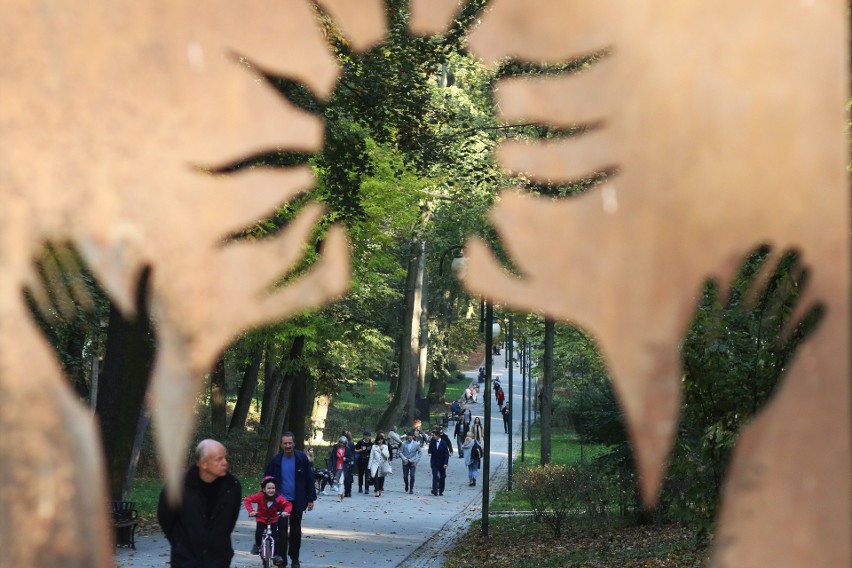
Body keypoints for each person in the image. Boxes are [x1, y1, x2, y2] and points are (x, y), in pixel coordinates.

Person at [157, 439, 242, 568]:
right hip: (186, 560)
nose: (225, 463)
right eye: (219, 459)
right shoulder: (178, 486)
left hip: (219, 559)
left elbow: (230, 521)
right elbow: (166, 518)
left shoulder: (232, 486)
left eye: (225, 457)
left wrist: (216, 539)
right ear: (203, 463)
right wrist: (180, 543)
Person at [264, 432, 317, 568]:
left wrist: (311, 498)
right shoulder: (276, 460)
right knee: (281, 531)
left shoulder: (301, 459)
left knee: (295, 530)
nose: (288, 446)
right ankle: (282, 559)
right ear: (281, 445)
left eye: (290, 443)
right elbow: (267, 480)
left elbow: (309, 479)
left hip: (297, 500)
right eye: (285, 443)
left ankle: (294, 558)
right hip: (281, 502)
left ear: (294, 444)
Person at [243, 476, 292, 565]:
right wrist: (251, 511)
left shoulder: (278, 498)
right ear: (264, 489)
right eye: (268, 488)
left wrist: (285, 511)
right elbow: (247, 500)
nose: (271, 490)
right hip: (261, 518)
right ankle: (257, 545)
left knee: (275, 537)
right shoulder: (259, 496)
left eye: (273, 488)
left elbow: (288, 504)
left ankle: (276, 555)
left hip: (273, 519)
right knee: (259, 532)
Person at [328, 436, 353, 502]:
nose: (341, 444)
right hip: (337, 466)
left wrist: (346, 459)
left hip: (344, 467)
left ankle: (339, 495)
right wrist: (330, 467)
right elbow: (331, 458)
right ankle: (341, 493)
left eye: (343, 443)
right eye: (340, 442)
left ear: (345, 443)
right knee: (338, 481)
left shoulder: (347, 449)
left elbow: (351, 458)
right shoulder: (335, 448)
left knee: (341, 482)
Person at [428, 429, 450, 496]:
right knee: (435, 476)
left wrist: (445, 463)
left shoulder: (443, 443)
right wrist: (429, 452)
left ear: (437, 435)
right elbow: (430, 450)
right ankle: (434, 489)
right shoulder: (432, 442)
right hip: (434, 462)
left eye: (434, 435)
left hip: (442, 462)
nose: (433, 436)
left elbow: (446, 454)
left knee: (442, 477)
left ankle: (441, 490)